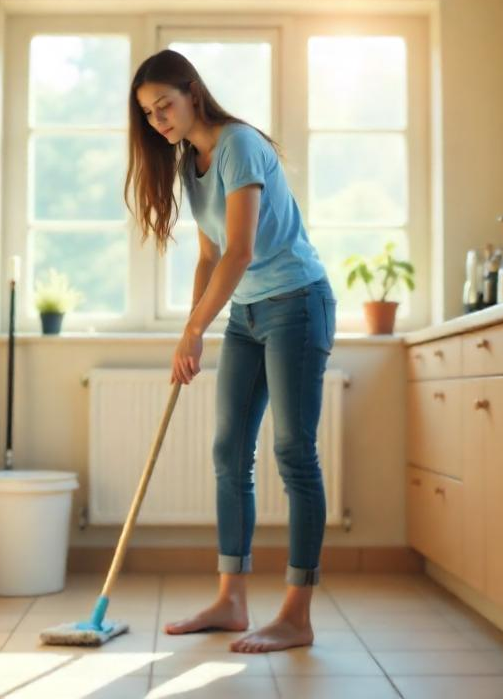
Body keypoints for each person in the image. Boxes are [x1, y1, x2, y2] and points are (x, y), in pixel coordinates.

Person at [124, 49, 336, 653]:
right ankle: (232, 601)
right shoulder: (191, 162)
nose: (159, 119)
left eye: (165, 104)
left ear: (193, 92)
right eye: (148, 113)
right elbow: (211, 256)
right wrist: (191, 328)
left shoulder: (239, 143)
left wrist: (194, 329)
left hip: (298, 301)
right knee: (228, 452)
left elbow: (241, 248)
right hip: (245, 312)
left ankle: (296, 613)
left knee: (294, 452)